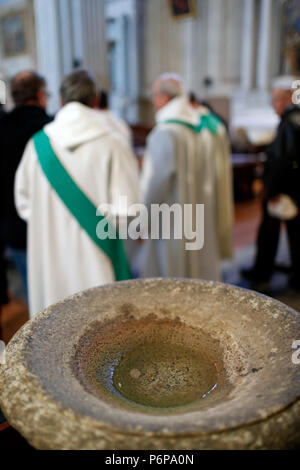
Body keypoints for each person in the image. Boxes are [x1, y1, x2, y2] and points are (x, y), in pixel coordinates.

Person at [15, 70, 140, 317]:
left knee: (55, 328)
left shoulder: (37, 144)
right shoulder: (112, 143)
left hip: (50, 256)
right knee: (99, 334)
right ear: (95, 100)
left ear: (60, 101)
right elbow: (129, 210)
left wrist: (53, 225)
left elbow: (24, 203)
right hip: (98, 257)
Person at [139, 74, 233, 279]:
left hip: (171, 217)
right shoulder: (201, 130)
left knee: (171, 271)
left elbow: (155, 182)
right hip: (199, 213)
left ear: (164, 97)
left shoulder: (164, 132)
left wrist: (142, 217)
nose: (154, 101)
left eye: (155, 95)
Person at [242, 76, 300, 290]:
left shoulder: (291, 121)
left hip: (284, 189)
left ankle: (262, 275)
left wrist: (272, 189)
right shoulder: (293, 119)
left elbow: (282, 160)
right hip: (292, 188)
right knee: (295, 234)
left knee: (269, 234)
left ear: (287, 99)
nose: (272, 104)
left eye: (275, 99)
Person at [0, 71, 52, 299]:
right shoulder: (52, 128)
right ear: (40, 95)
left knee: (35, 293)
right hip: (52, 225)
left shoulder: (2, 126)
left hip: (13, 225)